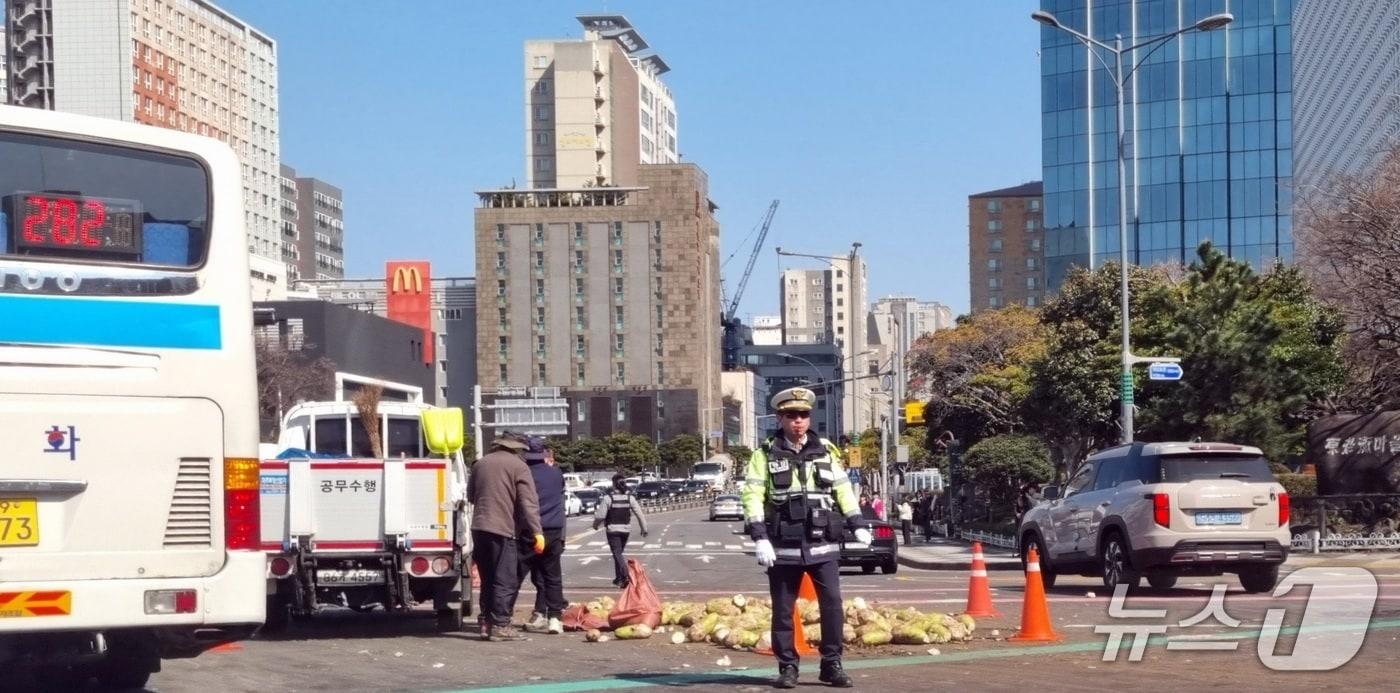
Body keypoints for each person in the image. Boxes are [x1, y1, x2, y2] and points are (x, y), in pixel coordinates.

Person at [742, 386, 865, 689]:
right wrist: (759, 537)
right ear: (780, 418)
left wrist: (857, 521)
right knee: (783, 610)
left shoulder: (826, 451)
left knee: (833, 604)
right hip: (783, 546)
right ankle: (787, 667)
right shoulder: (764, 455)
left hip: (823, 544)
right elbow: (753, 495)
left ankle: (831, 664)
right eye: (791, 415)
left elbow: (842, 490)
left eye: (803, 414)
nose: (798, 420)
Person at [467, 432, 544, 642]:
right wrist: (537, 531)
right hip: (502, 529)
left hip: (480, 527)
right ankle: (501, 625)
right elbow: (528, 503)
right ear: (517, 448)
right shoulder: (519, 466)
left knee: (487, 578)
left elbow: (471, 496)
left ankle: (485, 623)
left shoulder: (480, 464)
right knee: (505, 579)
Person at [515, 438, 567, 635]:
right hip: (553, 530)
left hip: (530, 531)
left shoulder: (523, 474)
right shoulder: (556, 473)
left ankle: (501, 617)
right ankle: (555, 618)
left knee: (515, 575)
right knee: (552, 576)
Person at [593, 473, 649, 587]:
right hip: (625, 530)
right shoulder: (630, 498)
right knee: (618, 553)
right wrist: (644, 529)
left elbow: (600, 516)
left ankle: (625, 574)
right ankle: (619, 579)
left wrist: (595, 525)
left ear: (614, 485)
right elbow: (639, 514)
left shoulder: (608, 499)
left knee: (617, 553)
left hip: (612, 530)